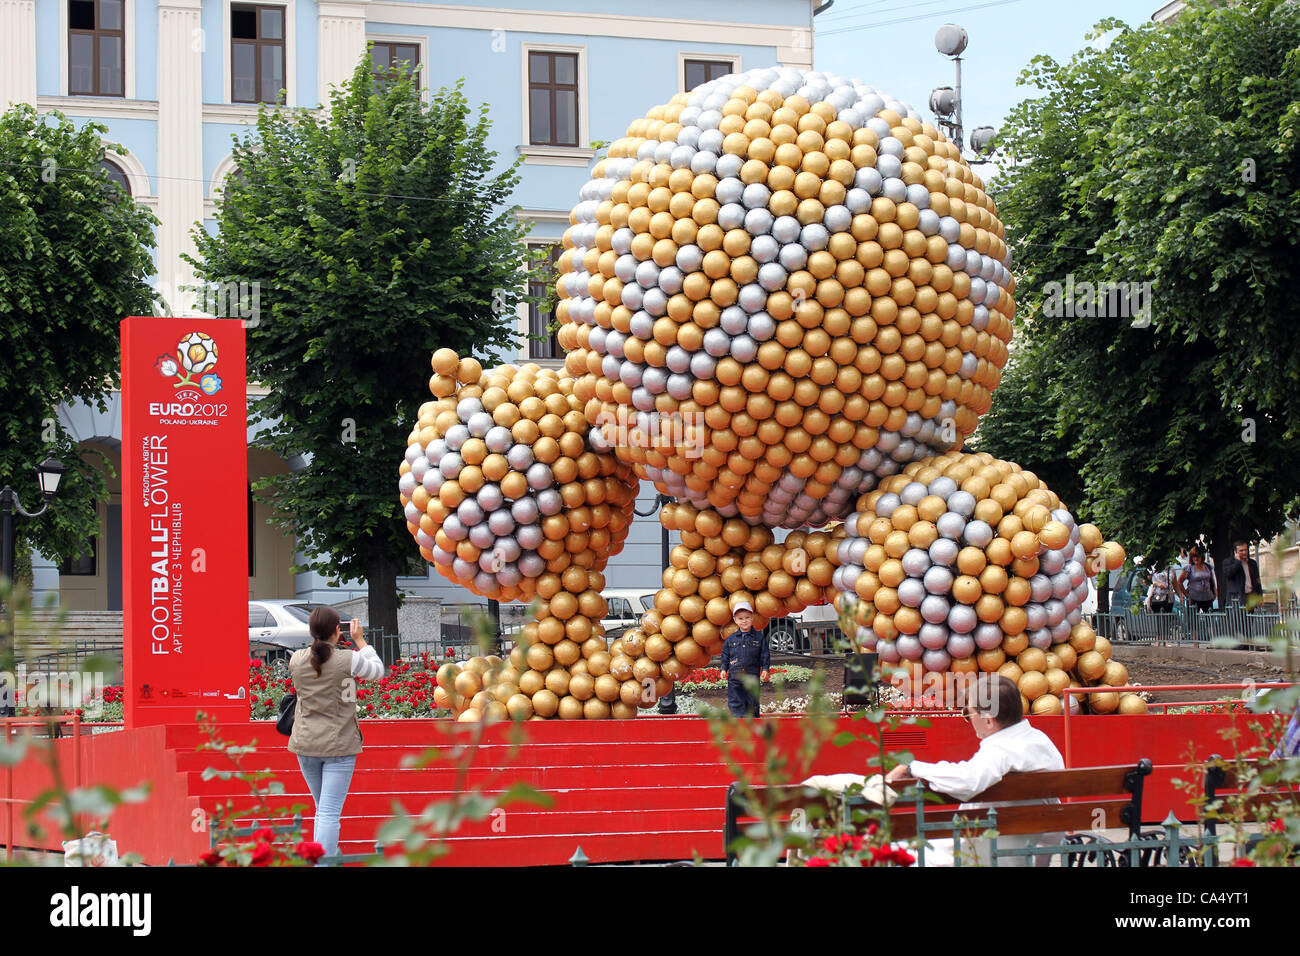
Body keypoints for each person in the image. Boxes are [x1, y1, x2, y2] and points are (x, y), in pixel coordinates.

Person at [882, 674, 1065, 866]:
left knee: (891, 850)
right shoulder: (1042, 742)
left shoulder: (1000, 750)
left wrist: (911, 766)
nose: (969, 720)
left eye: (969, 714)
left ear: (988, 720)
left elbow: (968, 780)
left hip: (973, 853)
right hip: (1017, 852)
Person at [288, 606, 385, 861]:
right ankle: (323, 862)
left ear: (311, 631)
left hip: (305, 743)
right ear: (337, 631)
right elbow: (378, 671)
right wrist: (360, 640)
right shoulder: (348, 659)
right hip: (339, 744)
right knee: (329, 812)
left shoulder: (296, 658)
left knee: (322, 810)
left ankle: (320, 859)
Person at [718, 601, 769, 717]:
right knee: (736, 702)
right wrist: (723, 669)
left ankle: (752, 727)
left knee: (752, 702)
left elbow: (764, 654)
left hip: (752, 676)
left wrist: (765, 669)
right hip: (735, 678)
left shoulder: (759, 638)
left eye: (747, 618)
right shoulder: (730, 640)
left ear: (752, 618)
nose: (744, 621)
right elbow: (725, 655)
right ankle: (738, 725)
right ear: (735, 620)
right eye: (740, 618)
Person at [1221, 541, 1262, 608]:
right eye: (1241, 550)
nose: (1244, 552)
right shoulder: (1228, 562)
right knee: (1238, 618)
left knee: (1251, 618)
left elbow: (1257, 580)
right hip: (1236, 599)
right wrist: (1237, 562)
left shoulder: (1252, 563)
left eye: (1246, 550)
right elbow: (1228, 574)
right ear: (1235, 552)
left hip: (1250, 597)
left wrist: (1260, 596)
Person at [1178, 548, 1217, 612]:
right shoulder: (1189, 568)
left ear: (1201, 557)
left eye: (1198, 556)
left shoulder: (1207, 566)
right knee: (1193, 620)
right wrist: (1187, 595)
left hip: (1207, 597)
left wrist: (1215, 592)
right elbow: (1179, 582)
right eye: (1194, 556)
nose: (1196, 558)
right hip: (1194, 598)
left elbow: (1212, 580)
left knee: (1209, 618)